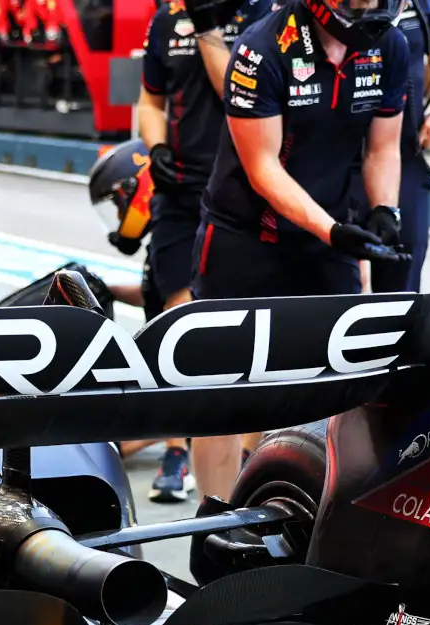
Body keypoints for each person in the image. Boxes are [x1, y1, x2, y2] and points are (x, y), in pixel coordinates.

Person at [187, 0, 410, 502]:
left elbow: (382, 148)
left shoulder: (389, 46)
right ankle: (213, 527)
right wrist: (333, 230)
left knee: (341, 391)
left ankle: (317, 521)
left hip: (328, 239)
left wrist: (384, 212)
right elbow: (263, 168)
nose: (367, 7)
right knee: (219, 396)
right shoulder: (259, 50)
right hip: (244, 240)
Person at [132, 0, 272, 502]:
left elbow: (234, 91)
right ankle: (177, 445)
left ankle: (255, 459)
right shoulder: (168, 18)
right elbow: (150, 100)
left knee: (246, 337)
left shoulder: (269, 18)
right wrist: (156, 148)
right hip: (181, 193)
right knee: (184, 320)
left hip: (247, 193)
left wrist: (211, 25)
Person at [367, 0, 430, 293]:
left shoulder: (419, 4)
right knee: (332, 292)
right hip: (333, 163)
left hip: (404, 159)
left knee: (400, 292)